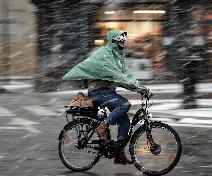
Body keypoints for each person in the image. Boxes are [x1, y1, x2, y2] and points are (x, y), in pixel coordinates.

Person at [62, 30, 152, 165]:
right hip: (98, 92)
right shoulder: (106, 55)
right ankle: (102, 127)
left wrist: (142, 88)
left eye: (123, 41)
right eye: (120, 41)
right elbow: (119, 77)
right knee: (124, 105)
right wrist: (139, 89)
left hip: (107, 92)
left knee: (125, 122)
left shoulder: (118, 56)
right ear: (113, 41)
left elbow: (127, 76)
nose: (123, 43)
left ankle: (118, 153)